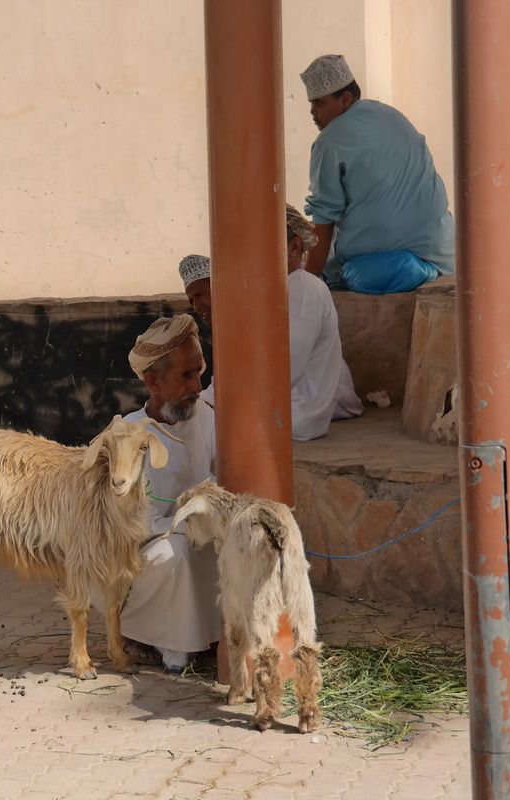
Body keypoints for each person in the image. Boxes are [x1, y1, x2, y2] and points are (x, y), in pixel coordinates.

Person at [179, 205, 362, 441]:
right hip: (275, 405)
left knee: (198, 428)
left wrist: (221, 403)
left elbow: (284, 370)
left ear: (295, 246)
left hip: (297, 413)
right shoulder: (272, 291)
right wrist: (211, 400)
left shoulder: (305, 288)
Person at [118, 315, 221, 673]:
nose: (198, 385)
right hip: (143, 552)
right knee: (177, 553)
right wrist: (190, 521)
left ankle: (209, 633)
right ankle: (154, 638)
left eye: (199, 372)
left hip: (195, 532)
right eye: (186, 376)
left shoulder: (205, 417)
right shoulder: (127, 436)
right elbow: (133, 528)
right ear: (153, 381)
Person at [301, 54, 454, 294]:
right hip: (443, 252)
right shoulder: (391, 115)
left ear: (345, 99)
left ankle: (420, 272)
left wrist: (306, 284)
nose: (313, 112)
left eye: (319, 103)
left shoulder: (328, 142)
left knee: (346, 274)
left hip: (390, 265)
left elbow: (324, 220)